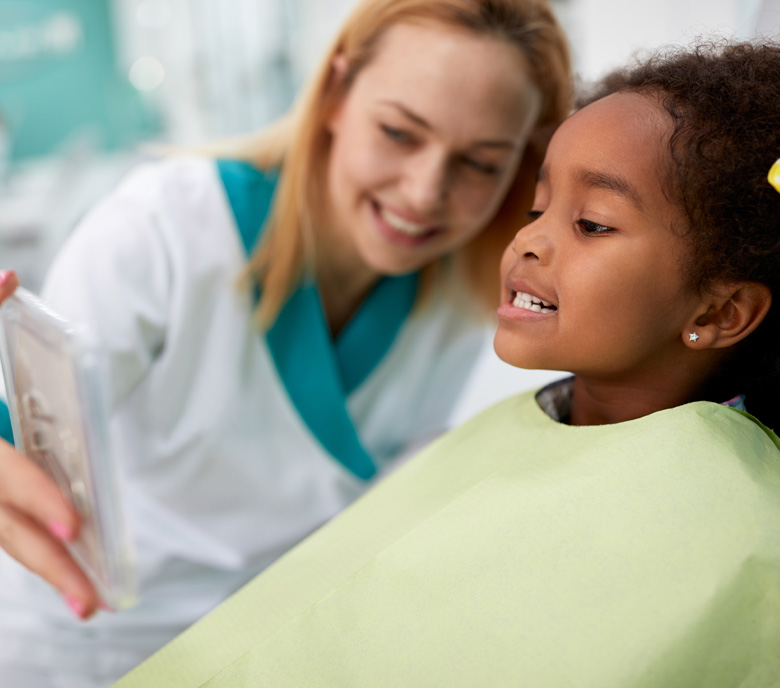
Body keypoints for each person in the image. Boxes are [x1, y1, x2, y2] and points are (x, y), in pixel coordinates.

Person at [112, 40, 780, 687]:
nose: (528, 240)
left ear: (719, 314)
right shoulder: (512, 431)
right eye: (537, 207)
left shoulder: (736, 530)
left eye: (593, 224)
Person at [0, 0, 572, 686]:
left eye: (480, 164)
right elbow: (26, 430)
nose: (425, 193)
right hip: (75, 644)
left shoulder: (463, 292)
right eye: (397, 132)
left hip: (259, 652)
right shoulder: (167, 227)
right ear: (334, 94)